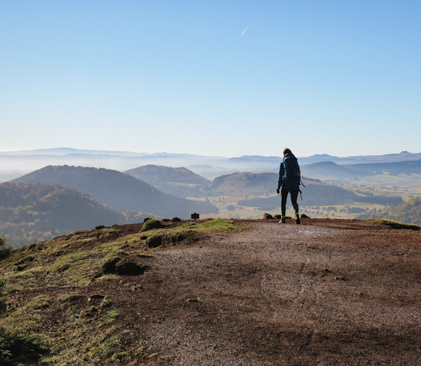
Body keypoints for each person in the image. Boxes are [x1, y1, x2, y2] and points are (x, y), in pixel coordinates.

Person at [276, 148, 301, 224]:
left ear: (284, 154)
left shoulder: (283, 163)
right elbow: (298, 173)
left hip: (285, 186)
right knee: (294, 202)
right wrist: (297, 183)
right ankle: (296, 216)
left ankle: (283, 218)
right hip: (295, 186)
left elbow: (280, 176)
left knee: (283, 202)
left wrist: (278, 186)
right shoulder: (295, 162)